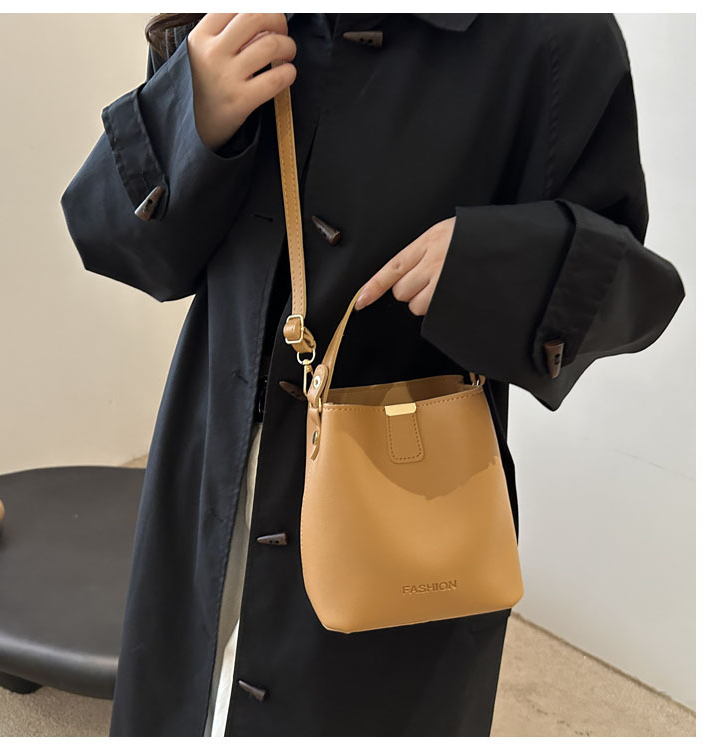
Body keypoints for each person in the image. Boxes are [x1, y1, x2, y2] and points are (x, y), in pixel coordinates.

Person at [60, 13, 685, 737]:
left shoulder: (552, 36)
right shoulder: (239, 21)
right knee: (186, 701)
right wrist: (187, 111)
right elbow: (119, 244)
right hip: (214, 469)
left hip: (407, 504)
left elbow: (634, 289)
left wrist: (496, 262)